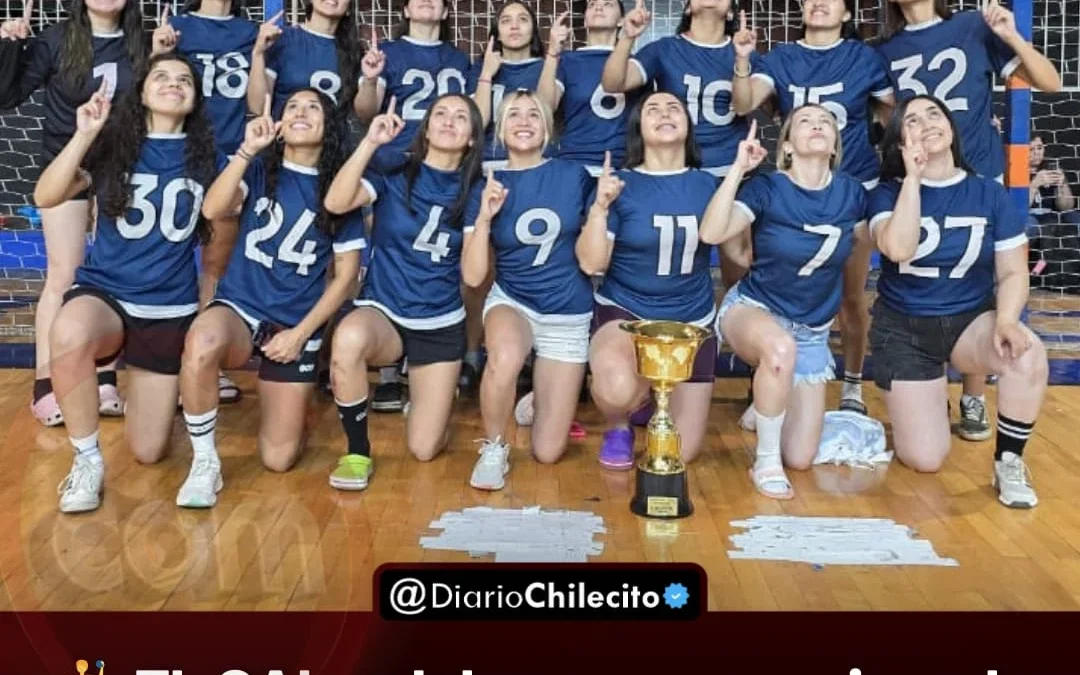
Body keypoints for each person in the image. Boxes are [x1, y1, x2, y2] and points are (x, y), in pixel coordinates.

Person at [35, 54, 216, 514]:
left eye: (184, 80)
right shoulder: (114, 144)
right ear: (140, 92)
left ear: (195, 98)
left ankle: (166, 420)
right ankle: (87, 460)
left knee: (149, 450)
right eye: (161, 76)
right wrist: (85, 133)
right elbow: (46, 195)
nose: (173, 84)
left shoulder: (209, 157)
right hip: (108, 293)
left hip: (168, 308)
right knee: (69, 329)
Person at [875, 0, 1061, 441]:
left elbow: (1050, 83)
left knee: (983, 286)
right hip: (924, 178)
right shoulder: (886, 50)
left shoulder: (974, 25)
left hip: (976, 172)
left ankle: (974, 396)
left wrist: (1012, 35)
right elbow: (888, 119)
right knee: (922, 276)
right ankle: (924, 382)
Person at [176, 88, 365, 508]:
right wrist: (245, 150)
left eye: (313, 107)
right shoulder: (260, 167)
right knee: (201, 340)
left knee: (278, 458)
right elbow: (212, 209)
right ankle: (205, 463)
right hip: (241, 307)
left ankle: (294, 393)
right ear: (278, 123)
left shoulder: (339, 191)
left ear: (328, 126)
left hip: (294, 321)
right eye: (292, 106)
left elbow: (346, 278)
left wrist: (300, 334)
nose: (300, 112)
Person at [868, 95, 1048, 507]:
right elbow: (897, 248)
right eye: (912, 120)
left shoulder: (988, 192)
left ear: (951, 126)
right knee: (925, 459)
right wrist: (913, 180)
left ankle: (1009, 460)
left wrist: (1005, 320)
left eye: (935, 113)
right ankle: (926, 401)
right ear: (899, 141)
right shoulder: (886, 193)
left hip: (969, 323)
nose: (927, 122)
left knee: (1027, 352)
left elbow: (1013, 271)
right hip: (903, 330)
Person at [730, 0, 895, 416]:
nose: (819, 3)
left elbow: (891, 111)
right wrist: (743, 61)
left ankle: (853, 384)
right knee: (778, 290)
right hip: (796, 192)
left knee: (851, 297)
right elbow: (744, 103)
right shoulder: (782, 57)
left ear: (847, 14)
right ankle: (768, 379)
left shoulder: (864, 57)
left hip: (851, 190)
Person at [701, 105, 870, 499]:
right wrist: (737, 171)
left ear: (834, 146)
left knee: (802, 457)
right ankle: (765, 461)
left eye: (826, 122)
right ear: (788, 146)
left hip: (812, 332)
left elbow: (862, 245)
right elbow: (711, 233)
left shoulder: (852, 193)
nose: (817, 126)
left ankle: (765, 403)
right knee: (779, 349)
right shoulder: (767, 188)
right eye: (805, 122)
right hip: (753, 309)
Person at [322, 93, 483, 491]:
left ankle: (430, 406)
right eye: (440, 114)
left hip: (440, 320)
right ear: (425, 128)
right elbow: (336, 201)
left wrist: (485, 221)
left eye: (460, 117)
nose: (448, 121)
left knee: (424, 448)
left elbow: (475, 276)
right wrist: (371, 142)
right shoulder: (396, 171)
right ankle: (357, 451)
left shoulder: (476, 189)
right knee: (348, 338)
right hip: (386, 311)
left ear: (472, 139)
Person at [1, 0, 145, 427]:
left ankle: (104, 376)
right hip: (66, 164)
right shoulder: (57, 39)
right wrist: (9, 46)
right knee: (63, 273)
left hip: (123, 166)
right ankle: (45, 385)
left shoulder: (143, 44)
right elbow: (7, 96)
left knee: (113, 272)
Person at [577, 91, 718, 468]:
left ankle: (653, 398)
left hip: (692, 320)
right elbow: (592, 264)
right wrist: (600, 208)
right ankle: (620, 422)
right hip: (629, 312)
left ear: (689, 125)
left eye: (674, 108)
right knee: (616, 388)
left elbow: (740, 254)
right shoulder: (620, 184)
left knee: (680, 455)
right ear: (639, 127)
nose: (664, 113)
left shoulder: (709, 184)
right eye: (652, 109)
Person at [461, 90, 593, 490]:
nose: (523, 121)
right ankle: (494, 448)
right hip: (514, 299)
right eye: (513, 114)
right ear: (500, 129)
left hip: (567, 311)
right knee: (503, 355)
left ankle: (533, 400)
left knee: (548, 452)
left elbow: (592, 258)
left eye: (533, 114)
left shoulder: (573, 175)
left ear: (547, 127)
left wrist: (603, 207)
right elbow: (472, 276)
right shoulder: (486, 182)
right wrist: (484, 217)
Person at [351, 0, 473, 406]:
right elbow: (366, 109)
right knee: (390, 251)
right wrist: (369, 80)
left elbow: (472, 115)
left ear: (445, 11)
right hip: (398, 166)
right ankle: (388, 373)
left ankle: (434, 356)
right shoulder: (389, 50)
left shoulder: (459, 58)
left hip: (447, 172)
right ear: (404, 7)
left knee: (440, 255)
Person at [152, 0, 260, 404]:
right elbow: (152, 84)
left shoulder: (251, 33)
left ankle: (203, 364)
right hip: (175, 157)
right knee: (167, 258)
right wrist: (157, 52)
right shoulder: (175, 26)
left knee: (217, 264)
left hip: (227, 161)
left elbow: (257, 99)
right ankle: (164, 359)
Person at [602, 0, 755, 179]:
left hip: (731, 168)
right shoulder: (664, 49)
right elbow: (612, 84)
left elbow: (744, 106)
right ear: (688, 8)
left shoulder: (746, 52)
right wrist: (627, 37)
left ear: (730, 13)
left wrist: (742, 59)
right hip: (677, 167)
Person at [537, 0, 643, 176]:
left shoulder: (635, 64)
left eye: (608, 4)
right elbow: (544, 107)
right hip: (575, 164)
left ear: (621, 21)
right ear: (585, 20)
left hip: (623, 167)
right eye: (592, 4)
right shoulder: (566, 60)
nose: (598, 7)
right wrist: (553, 52)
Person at [247, 0, 360, 119]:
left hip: (334, 135)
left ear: (349, 6)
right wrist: (258, 53)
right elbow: (258, 107)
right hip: (285, 134)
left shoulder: (354, 52)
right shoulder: (282, 40)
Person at [471, 1, 546, 171]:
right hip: (490, 161)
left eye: (522, 19)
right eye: (505, 21)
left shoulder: (547, 67)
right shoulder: (480, 67)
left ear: (533, 30)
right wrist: (486, 74)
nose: (514, 26)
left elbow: (548, 110)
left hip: (537, 161)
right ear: (496, 33)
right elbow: (477, 123)